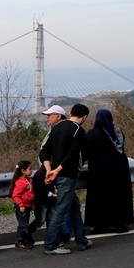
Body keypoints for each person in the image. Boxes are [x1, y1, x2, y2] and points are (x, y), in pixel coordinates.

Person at [40, 103, 93, 255]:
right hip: (66, 175)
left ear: (70, 113)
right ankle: (50, 245)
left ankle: (82, 241)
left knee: (75, 208)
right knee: (61, 210)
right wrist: (56, 171)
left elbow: (44, 151)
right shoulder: (79, 130)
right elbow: (73, 154)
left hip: (57, 175)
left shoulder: (56, 128)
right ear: (84, 117)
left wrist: (49, 171)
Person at [84, 109, 134, 234]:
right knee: (119, 196)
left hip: (101, 171)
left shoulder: (94, 134)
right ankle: (120, 224)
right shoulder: (117, 131)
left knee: (100, 197)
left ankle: (101, 225)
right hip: (120, 169)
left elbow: (86, 151)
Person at [26, 165, 57, 245]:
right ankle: (27, 232)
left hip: (49, 201)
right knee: (40, 220)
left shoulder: (50, 171)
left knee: (50, 219)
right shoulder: (40, 174)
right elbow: (39, 189)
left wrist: (54, 189)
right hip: (41, 201)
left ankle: (51, 238)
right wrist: (51, 194)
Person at [9, 160, 34, 250]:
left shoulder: (29, 180)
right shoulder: (20, 182)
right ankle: (19, 241)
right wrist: (21, 205)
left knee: (25, 224)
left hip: (27, 206)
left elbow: (30, 194)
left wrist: (31, 204)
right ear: (23, 171)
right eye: (30, 169)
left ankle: (23, 239)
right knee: (22, 224)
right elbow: (15, 195)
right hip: (22, 207)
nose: (31, 171)